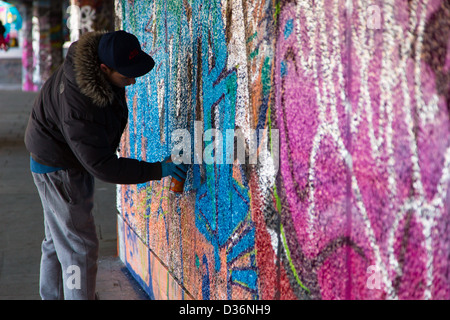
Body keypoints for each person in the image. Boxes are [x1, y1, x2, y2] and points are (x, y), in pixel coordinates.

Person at [24, 30, 187, 300]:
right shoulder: (79, 104)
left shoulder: (92, 72)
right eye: (126, 76)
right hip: (60, 169)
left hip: (54, 159)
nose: (132, 81)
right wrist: (157, 170)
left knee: (58, 240)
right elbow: (102, 165)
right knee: (79, 247)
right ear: (103, 68)